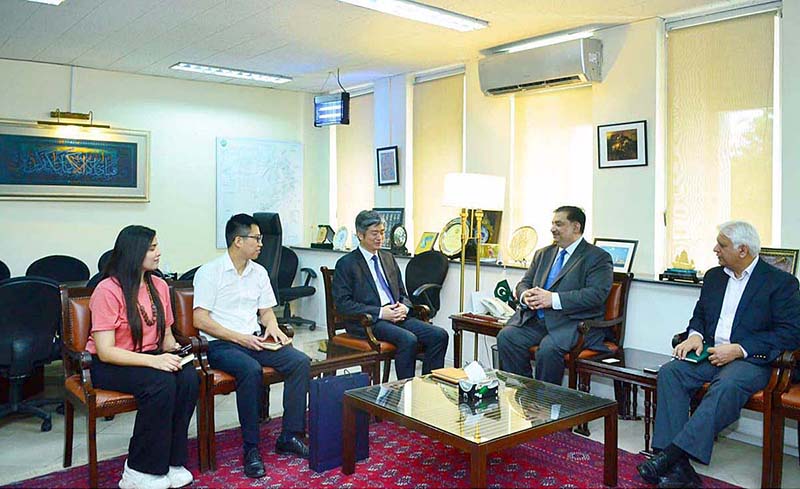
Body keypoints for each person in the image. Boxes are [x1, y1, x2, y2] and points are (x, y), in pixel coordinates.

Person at [637, 221, 800, 488]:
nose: (715, 249)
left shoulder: (780, 283)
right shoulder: (714, 276)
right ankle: (677, 468)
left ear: (743, 250)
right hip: (711, 353)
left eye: (721, 245)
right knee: (671, 372)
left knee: (726, 385)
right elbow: (700, 315)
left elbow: (791, 333)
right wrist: (695, 336)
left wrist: (739, 349)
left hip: (751, 360)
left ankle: (670, 457)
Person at [193, 213, 310, 479]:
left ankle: (290, 435)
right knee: (250, 370)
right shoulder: (210, 272)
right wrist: (238, 337)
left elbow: (266, 311)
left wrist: (273, 327)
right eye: (256, 238)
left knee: (299, 362)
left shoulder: (259, 272)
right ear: (238, 241)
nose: (261, 244)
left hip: (254, 339)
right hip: (221, 345)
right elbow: (200, 319)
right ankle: (251, 448)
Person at [87, 225, 198, 489]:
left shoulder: (158, 285)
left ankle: (172, 461)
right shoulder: (107, 290)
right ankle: (138, 470)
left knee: (188, 378)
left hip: (148, 358)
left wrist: (174, 352)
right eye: (152, 248)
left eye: (157, 246)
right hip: (110, 364)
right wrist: (155, 361)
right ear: (134, 253)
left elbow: (167, 336)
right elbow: (106, 350)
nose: (158, 253)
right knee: (160, 383)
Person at [496, 206, 613, 385]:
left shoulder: (597, 257)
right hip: (537, 321)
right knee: (507, 337)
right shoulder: (543, 254)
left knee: (548, 350)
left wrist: (553, 299)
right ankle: (525, 394)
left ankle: (546, 404)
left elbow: (596, 295)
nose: (552, 229)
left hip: (574, 323)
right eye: (552, 224)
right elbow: (524, 283)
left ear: (576, 227)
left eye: (559, 224)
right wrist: (525, 295)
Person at [332, 209, 449, 379]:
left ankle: (428, 388)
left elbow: (402, 293)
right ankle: (403, 391)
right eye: (374, 233)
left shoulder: (388, 258)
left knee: (439, 335)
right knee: (408, 340)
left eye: (382, 232)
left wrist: (405, 307)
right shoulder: (347, 264)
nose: (380, 237)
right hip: (369, 322)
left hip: (396, 316)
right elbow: (343, 304)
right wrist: (380, 312)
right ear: (360, 234)